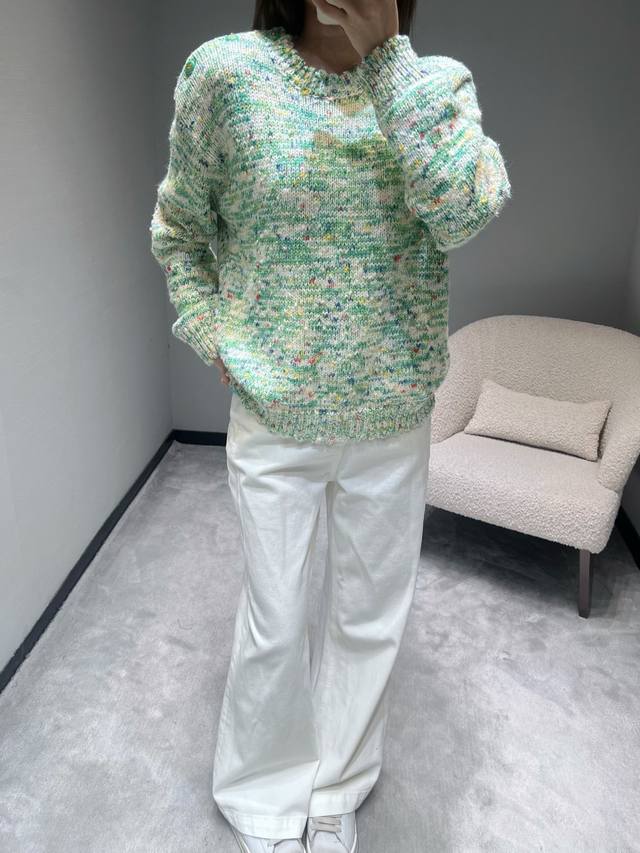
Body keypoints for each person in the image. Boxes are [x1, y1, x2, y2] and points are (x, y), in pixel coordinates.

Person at [149, 0, 511, 850]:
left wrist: (388, 63)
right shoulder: (227, 74)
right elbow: (180, 230)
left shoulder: (435, 86)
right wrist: (212, 330)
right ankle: (260, 795)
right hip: (275, 412)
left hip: (393, 415)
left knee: (370, 616)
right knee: (275, 616)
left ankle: (337, 786)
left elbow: (465, 210)